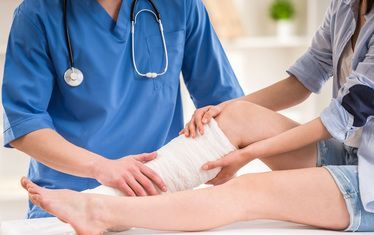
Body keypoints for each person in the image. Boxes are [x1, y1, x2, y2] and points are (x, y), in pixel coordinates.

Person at [22, 0, 374, 235]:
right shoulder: (344, 5)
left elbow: (341, 117)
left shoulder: (179, 6)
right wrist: (228, 113)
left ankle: (101, 209)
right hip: (352, 150)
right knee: (236, 114)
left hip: (367, 169)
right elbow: (303, 81)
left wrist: (249, 153)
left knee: (246, 191)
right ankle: (106, 197)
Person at [1, 0, 243, 218]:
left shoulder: (181, 6)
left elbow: (227, 107)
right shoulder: (37, 13)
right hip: (68, 201)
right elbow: (24, 122)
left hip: (159, 197)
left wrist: (232, 157)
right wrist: (100, 167)